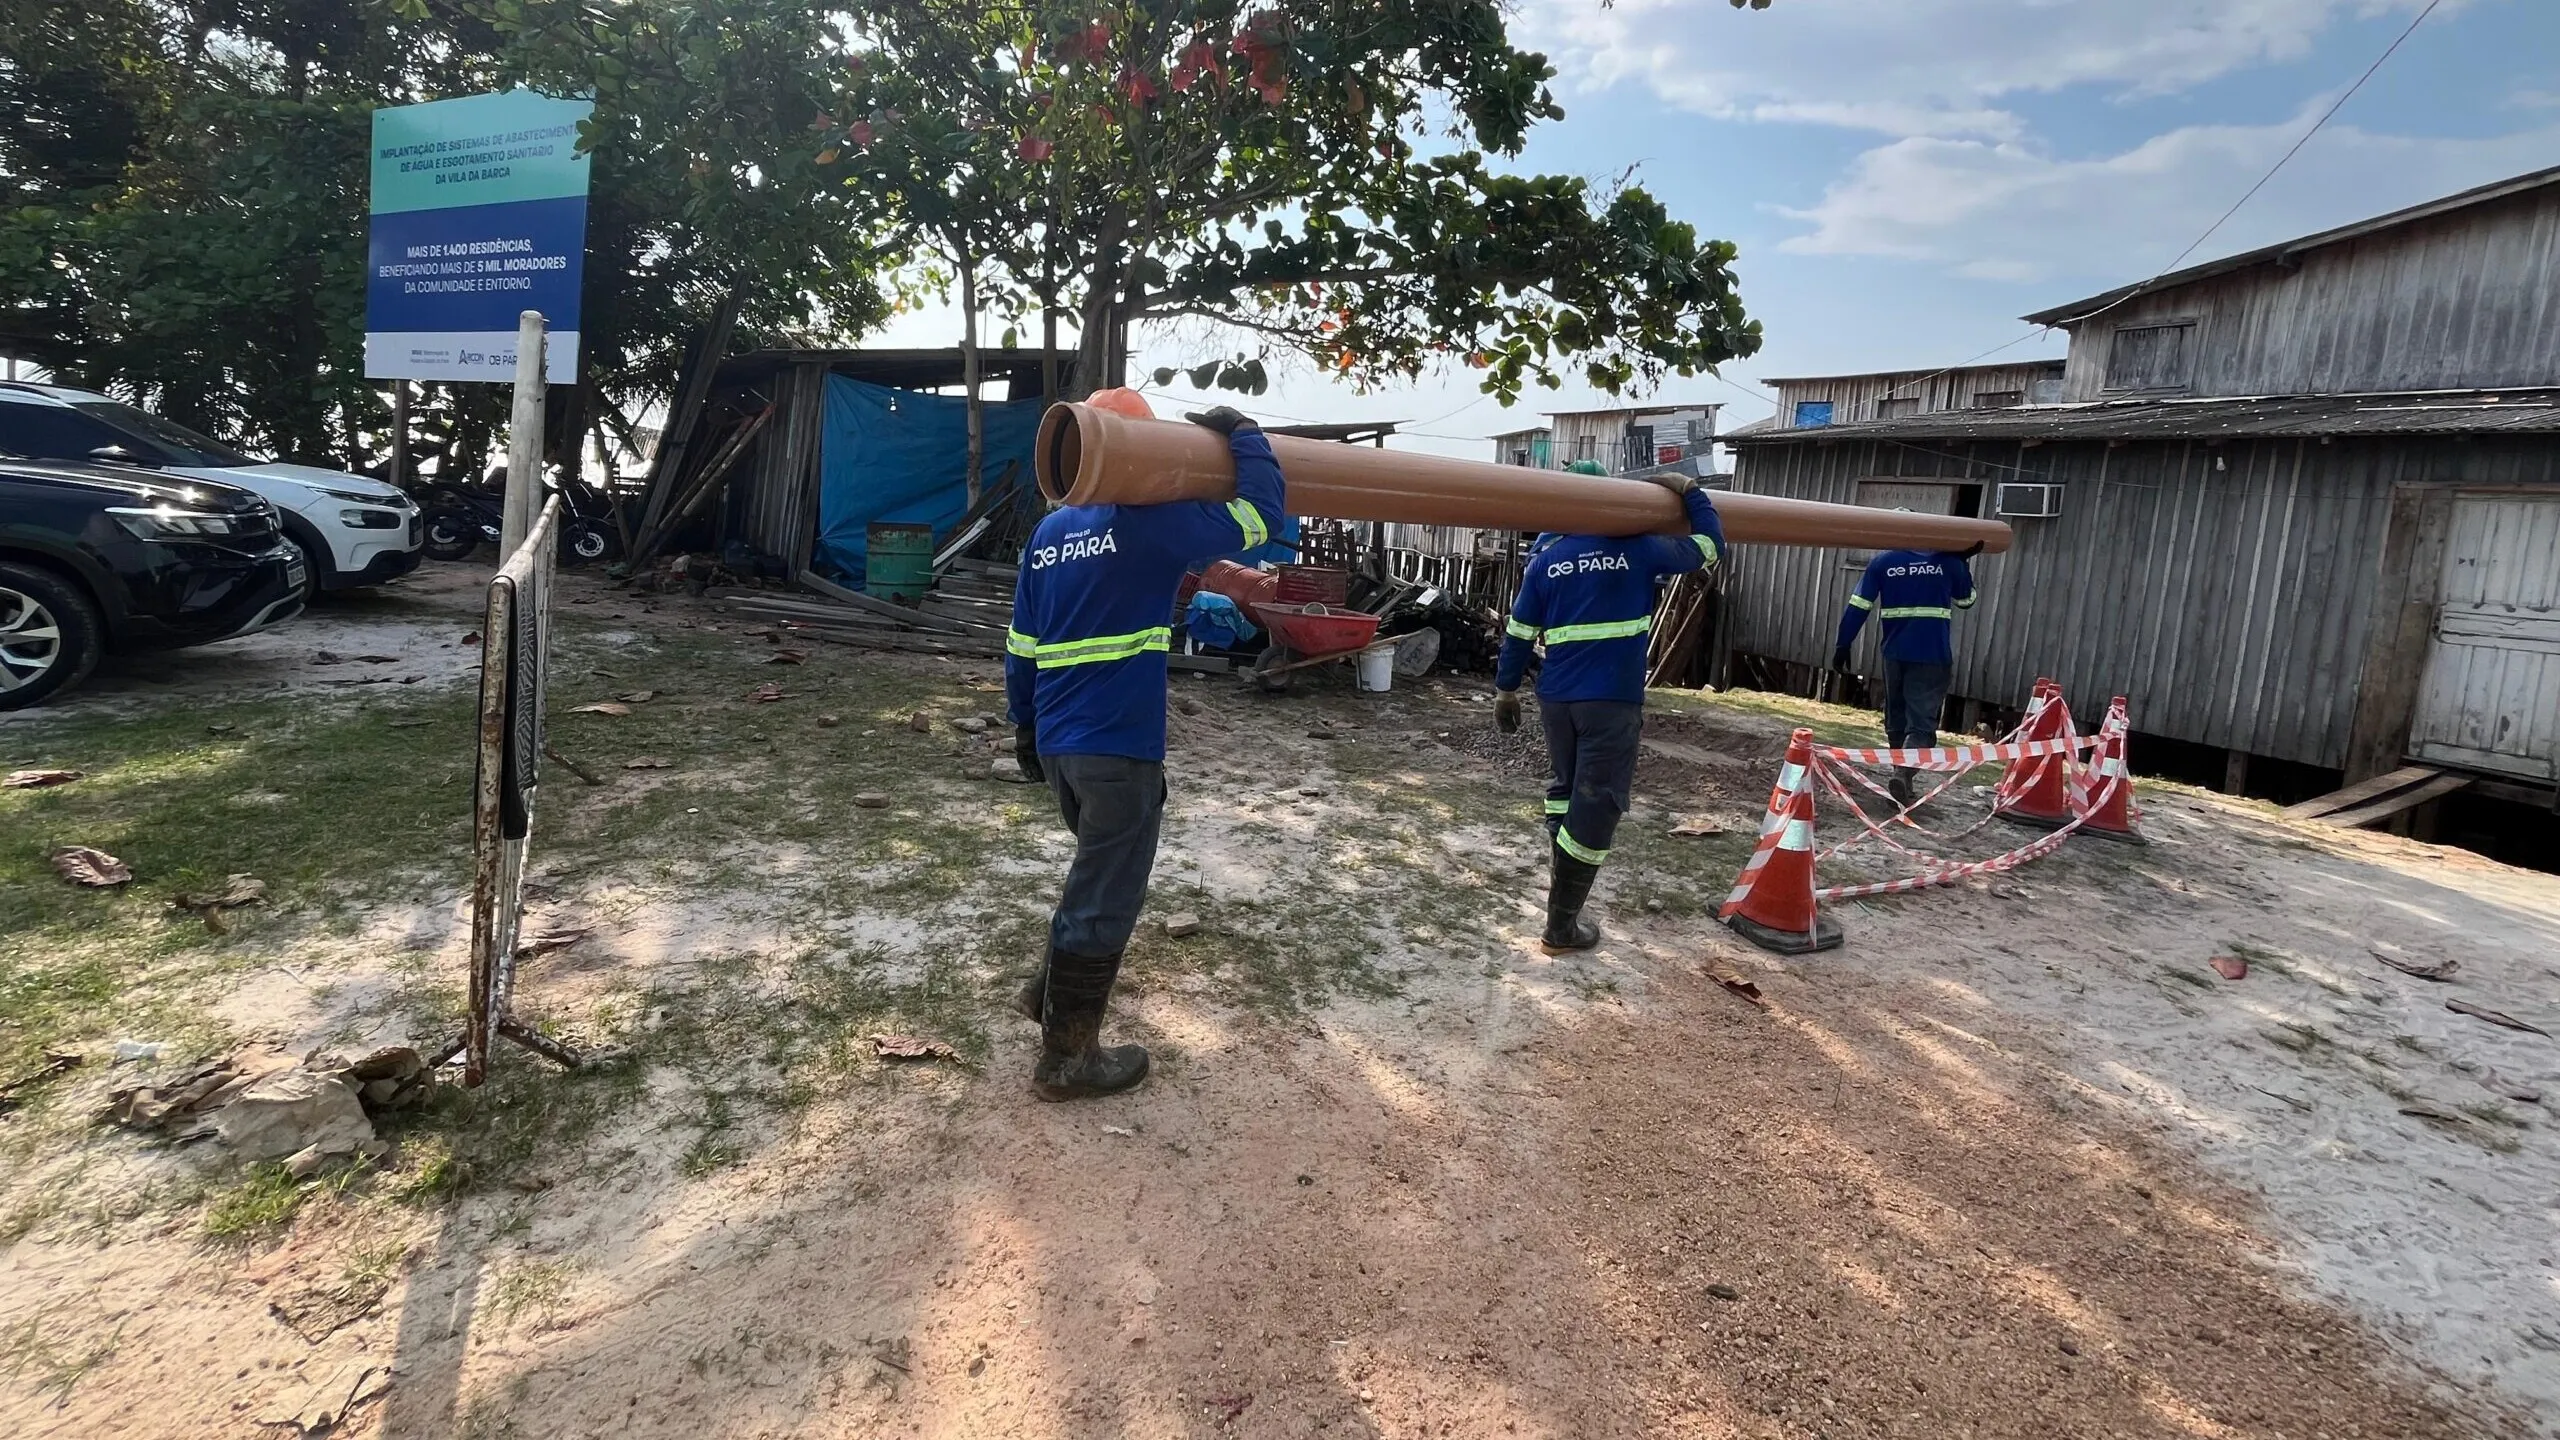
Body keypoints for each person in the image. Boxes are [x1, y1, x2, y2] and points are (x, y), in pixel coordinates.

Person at [1004, 398, 1286, 1101]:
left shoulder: (1049, 533)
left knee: (1093, 872)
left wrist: (1024, 726)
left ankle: (1047, 996)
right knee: (1106, 892)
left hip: (1062, 747)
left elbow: (1021, 643)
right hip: (1120, 749)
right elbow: (1261, 520)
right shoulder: (1152, 523)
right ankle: (1067, 1060)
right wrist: (1245, 439)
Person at [1492, 472, 1724, 952]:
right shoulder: (1641, 549)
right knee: (1598, 804)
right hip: (1611, 700)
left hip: (1556, 698)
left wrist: (1505, 690)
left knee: (1564, 791)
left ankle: (1562, 895)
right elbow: (1709, 546)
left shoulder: (1547, 561)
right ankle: (1561, 926)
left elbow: (1517, 633)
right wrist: (1692, 493)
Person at [1830, 542, 1984, 806]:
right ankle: (1902, 775)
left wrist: (1843, 643)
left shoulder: (1883, 562)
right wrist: (1962, 564)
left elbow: (1858, 605)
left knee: (1896, 717)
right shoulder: (1947, 561)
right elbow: (1966, 600)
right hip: (1932, 656)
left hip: (1895, 654)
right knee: (1921, 723)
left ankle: (1901, 779)